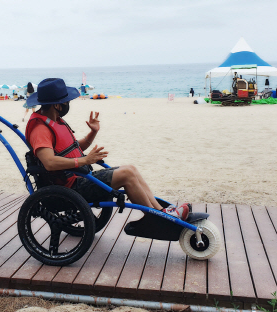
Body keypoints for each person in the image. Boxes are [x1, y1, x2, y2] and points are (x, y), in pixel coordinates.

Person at [24, 78, 191, 220]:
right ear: (57, 105)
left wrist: (93, 132)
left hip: (78, 178)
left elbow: (72, 149)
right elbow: (49, 163)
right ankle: (155, 218)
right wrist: (85, 160)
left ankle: (161, 212)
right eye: (66, 101)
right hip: (68, 188)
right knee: (127, 175)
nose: (68, 103)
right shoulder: (40, 129)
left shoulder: (56, 120)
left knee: (130, 169)